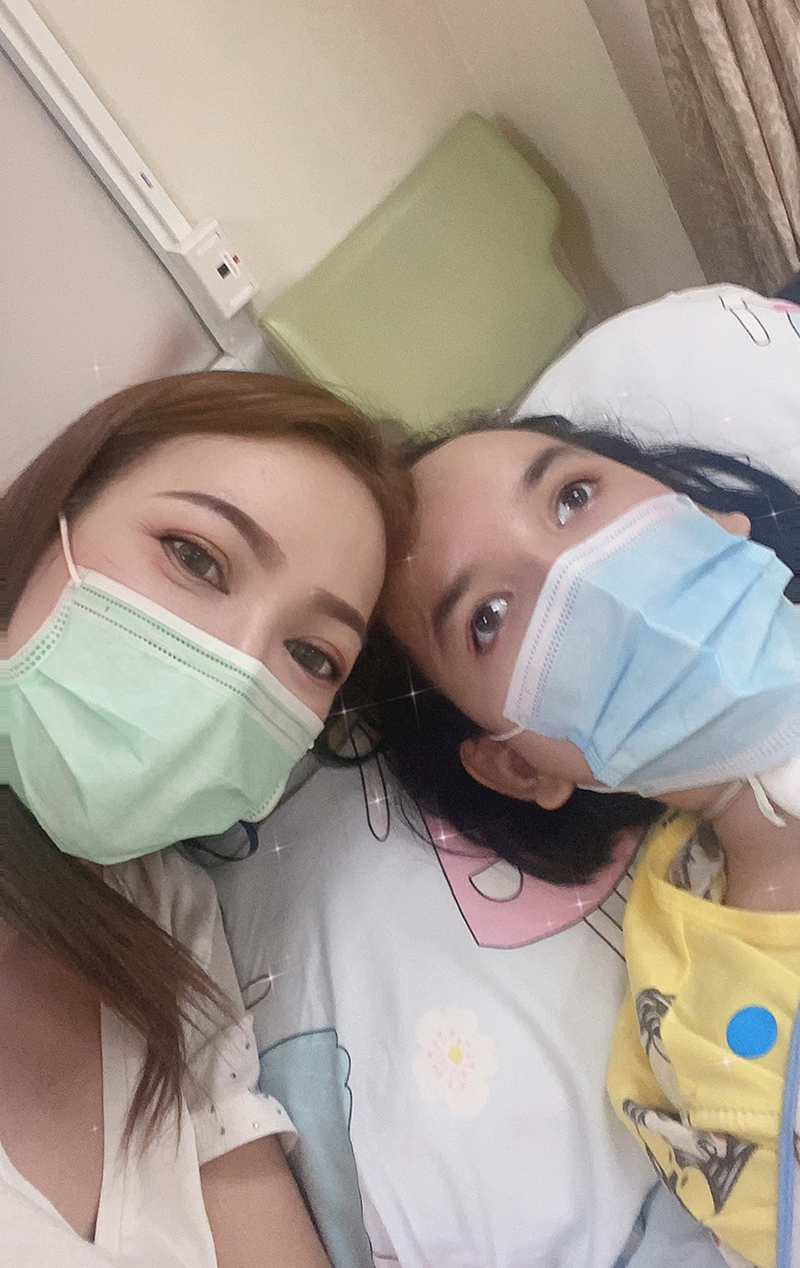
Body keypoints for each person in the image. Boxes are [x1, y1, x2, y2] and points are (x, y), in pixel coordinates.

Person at [0, 370, 412, 1268]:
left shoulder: (166, 918)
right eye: (195, 557)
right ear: (49, 517)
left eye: (313, 654)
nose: (238, 670)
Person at [377, 413, 800, 1268]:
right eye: (490, 617)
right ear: (515, 765)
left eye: (573, 497)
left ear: (701, 514)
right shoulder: (708, 1046)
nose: (579, 576)